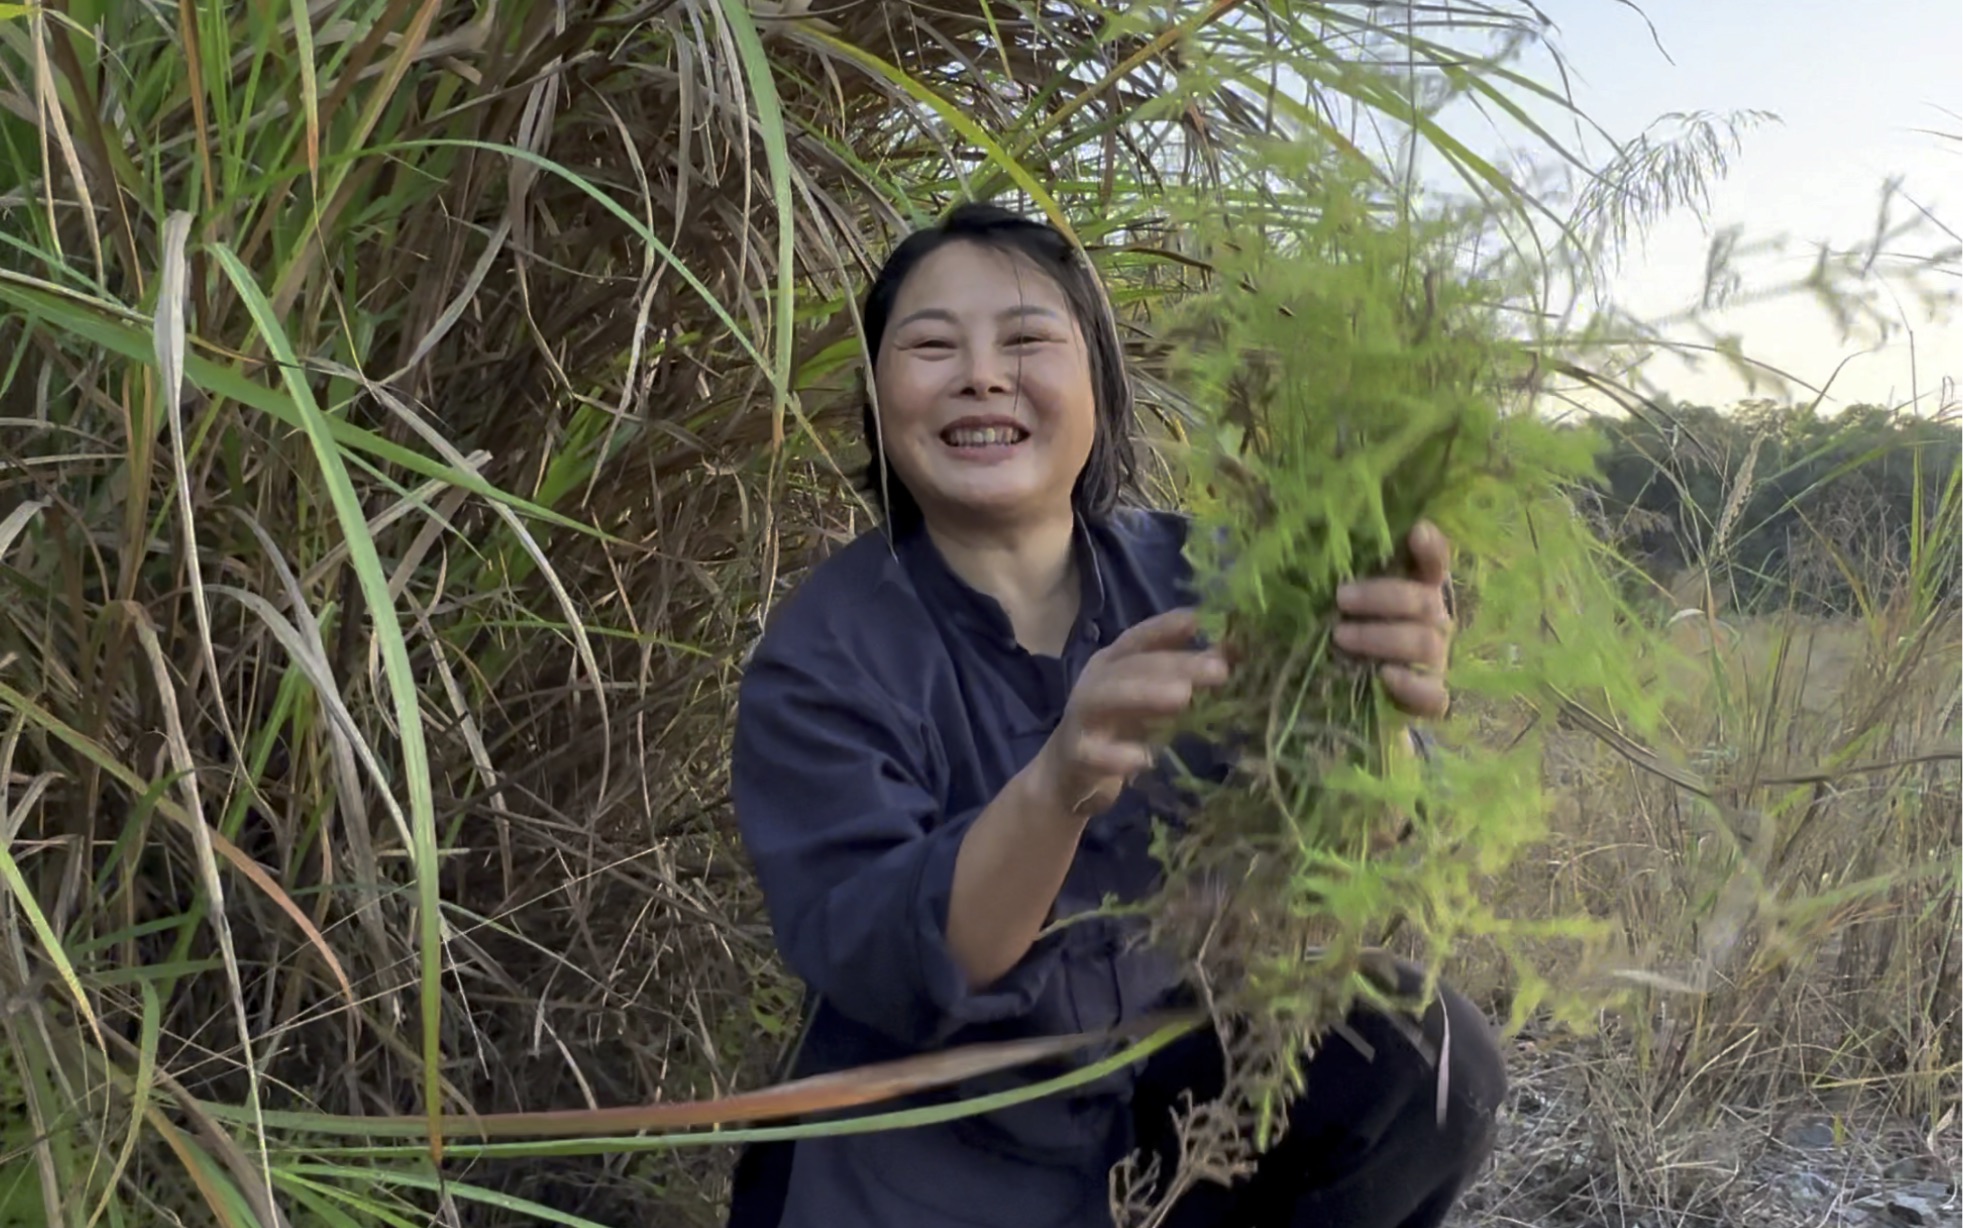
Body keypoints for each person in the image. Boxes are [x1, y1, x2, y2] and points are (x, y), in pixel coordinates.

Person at [724, 203, 1507, 1228]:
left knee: (1422, 1053)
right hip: (923, 1152)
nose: (981, 375)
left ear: (1096, 380)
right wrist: (1057, 787)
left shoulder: (1215, 575)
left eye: (1026, 340)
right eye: (929, 345)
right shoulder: (821, 659)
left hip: (1162, 1112)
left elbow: (1355, 851)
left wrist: (1380, 718)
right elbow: (906, 960)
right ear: (878, 400)